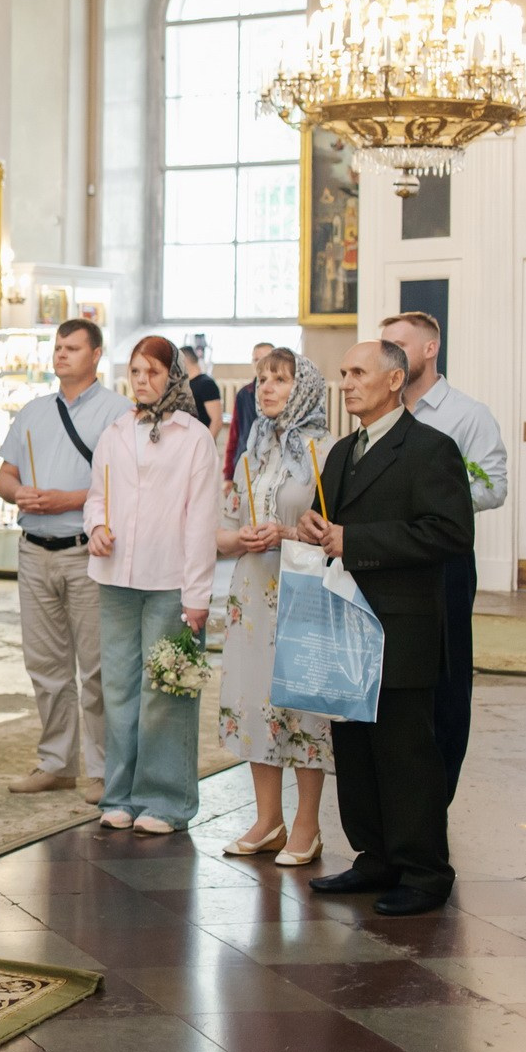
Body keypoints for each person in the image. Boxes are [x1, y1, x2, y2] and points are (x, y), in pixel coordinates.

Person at [300, 340, 473, 917]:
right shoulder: (342, 451)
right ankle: (374, 857)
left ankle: (424, 873)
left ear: (395, 380)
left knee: (404, 755)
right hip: (345, 622)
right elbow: (338, 525)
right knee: (355, 748)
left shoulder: (431, 449)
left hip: (401, 626)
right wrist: (317, 527)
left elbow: (449, 534)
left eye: (358, 373)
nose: (345, 382)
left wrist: (357, 541)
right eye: (343, 372)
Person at [85, 336, 219, 835]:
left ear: (173, 376)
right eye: (136, 372)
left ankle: (166, 800)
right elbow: (98, 494)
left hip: (171, 582)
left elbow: (202, 519)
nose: (143, 381)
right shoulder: (116, 431)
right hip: (117, 578)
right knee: (119, 688)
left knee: (166, 690)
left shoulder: (193, 437)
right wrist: (97, 526)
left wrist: (197, 595)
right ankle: (119, 794)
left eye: (153, 373)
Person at [0, 319, 132, 802]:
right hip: (34, 550)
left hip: (85, 552)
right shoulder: (33, 410)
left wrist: (66, 500)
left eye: (72, 348)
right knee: (45, 664)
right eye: (57, 347)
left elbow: (123, 486)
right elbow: (4, 475)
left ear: (96, 354)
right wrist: (20, 494)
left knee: (95, 667)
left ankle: (101, 768)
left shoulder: (119, 412)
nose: (61, 355)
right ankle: (56, 762)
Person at [379, 311, 507, 802]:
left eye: (398, 344)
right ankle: (394, 793)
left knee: (445, 679)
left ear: (430, 349)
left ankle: (437, 797)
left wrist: (432, 499)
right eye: (383, 344)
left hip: (442, 561)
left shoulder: (467, 414)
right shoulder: (380, 409)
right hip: (388, 558)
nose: (388, 353)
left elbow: (493, 486)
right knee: (393, 678)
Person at [216, 349, 333, 866]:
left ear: (302, 387)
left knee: (302, 702)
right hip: (252, 590)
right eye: (261, 379)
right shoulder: (251, 452)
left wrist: (284, 532)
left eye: (279, 380)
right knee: (255, 700)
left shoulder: (323, 452)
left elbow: (332, 529)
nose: (265, 388)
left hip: (303, 589)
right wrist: (239, 536)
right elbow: (223, 527)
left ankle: (307, 824)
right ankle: (268, 820)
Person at [221, 342, 277, 489]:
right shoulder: (244, 394)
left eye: (265, 359)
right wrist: (228, 474)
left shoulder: (280, 395)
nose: (260, 364)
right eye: (256, 359)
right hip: (244, 463)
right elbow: (235, 434)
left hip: (270, 465)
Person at [181, 344, 223, 433]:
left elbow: (217, 421)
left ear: (183, 361)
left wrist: (206, 445)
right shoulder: (185, 384)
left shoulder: (206, 384)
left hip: (201, 440)